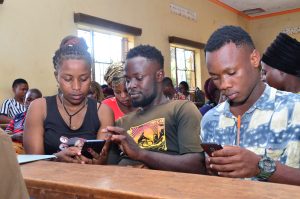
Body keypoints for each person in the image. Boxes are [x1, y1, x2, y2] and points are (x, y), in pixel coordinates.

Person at [201, 25, 300, 185]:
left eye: (231, 73)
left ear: (254, 59)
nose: (224, 85)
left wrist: (260, 167)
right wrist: (213, 168)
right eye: (215, 77)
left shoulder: (294, 109)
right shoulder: (210, 120)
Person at [101, 45, 205, 174]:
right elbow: (108, 169)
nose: (131, 86)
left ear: (159, 75)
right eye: (128, 80)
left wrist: (141, 155)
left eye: (139, 78)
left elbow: (198, 165)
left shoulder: (181, 109)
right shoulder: (122, 123)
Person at [23, 43, 114, 164]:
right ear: (56, 76)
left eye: (84, 79)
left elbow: (101, 160)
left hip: (89, 180)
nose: (76, 87)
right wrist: (55, 158)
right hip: (46, 180)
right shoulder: (39, 108)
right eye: (68, 79)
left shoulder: (103, 112)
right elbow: (32, 162)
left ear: (90, 76)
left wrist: (99, 160)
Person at [5, 88, 42, 154]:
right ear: (24, 101)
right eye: (28, 100)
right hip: (12, 145)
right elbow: (5, 135)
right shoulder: (17, 117)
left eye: (35, 101)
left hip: (30, 149)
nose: (31, 103)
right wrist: (14, 136)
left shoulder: (44, 118)